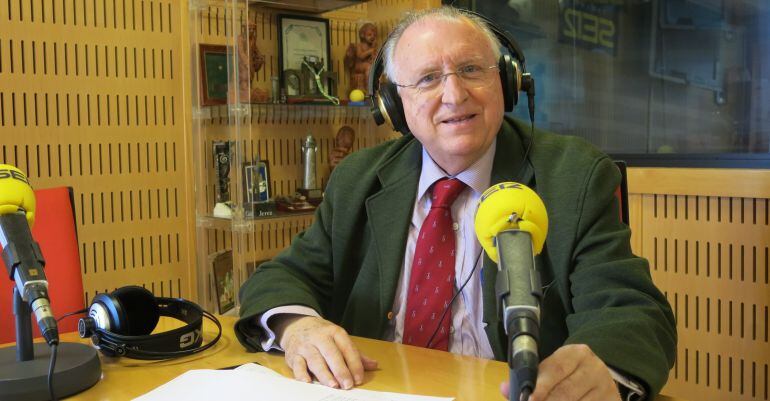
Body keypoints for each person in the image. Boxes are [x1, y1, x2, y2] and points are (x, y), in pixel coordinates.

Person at [236, 6, 676, 401]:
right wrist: (298, 327)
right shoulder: (358, 178)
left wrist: (600, 367)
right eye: (428, 78)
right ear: (393, 104)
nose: (454, 94)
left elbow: (634, 310)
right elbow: (284, 275)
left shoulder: (574, 176)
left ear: (506, 83)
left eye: (470, 69)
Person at [344, 22, 378, 95]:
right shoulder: (359, 45)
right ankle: (368, 88)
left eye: (374, 35)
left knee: (374, 68)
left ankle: (375, 89)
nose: (372, 37)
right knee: (368, 67)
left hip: (367, 65)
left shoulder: (372, 47)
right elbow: (360, 56)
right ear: (362, 35)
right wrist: (370, 51)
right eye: (369, 35)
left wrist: (374, 55)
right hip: (358, 66)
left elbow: (374, 58)